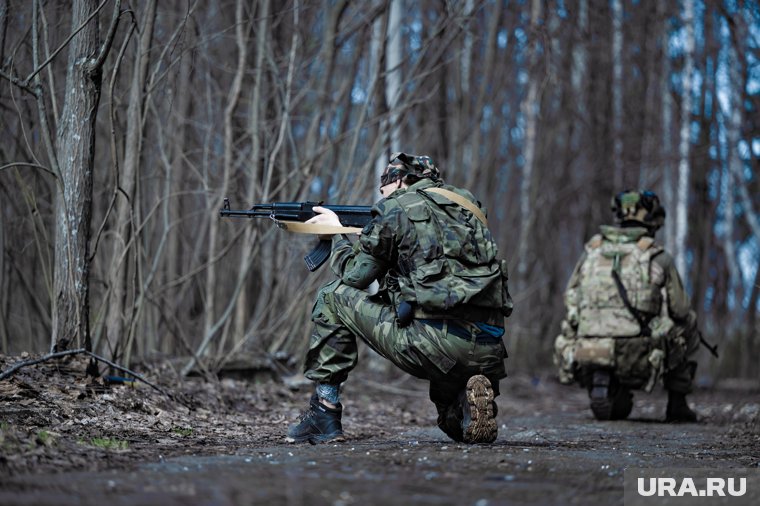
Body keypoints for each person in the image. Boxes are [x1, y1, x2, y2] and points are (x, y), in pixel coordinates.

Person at [287, 152, 513, 444]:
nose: (381, 193)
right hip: (488, 348)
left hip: (434, 347)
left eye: (384, 184)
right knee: (452, 425)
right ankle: (464, 406)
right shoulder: (469, 207)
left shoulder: (395, 208)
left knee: (332, 297)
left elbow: (355, 277)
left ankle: (324, 413)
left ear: (401, 179)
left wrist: (337, 236)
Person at [553, 190, 700, 422]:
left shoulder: (592, 251)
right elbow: (680, 309)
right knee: (688, 321)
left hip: (586, 346)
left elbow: (570, 294)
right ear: (651, 220)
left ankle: (599, 381)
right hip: (638, 352)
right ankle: (677, 402)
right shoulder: (657, 256)